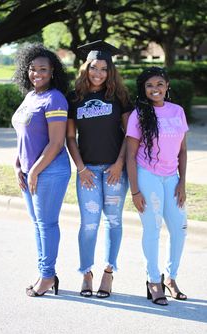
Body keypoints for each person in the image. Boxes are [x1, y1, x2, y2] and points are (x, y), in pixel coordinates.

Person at [67, 40, 133, 298]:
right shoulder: (75, 97)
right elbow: (71, 138)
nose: (98, 73)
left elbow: (131, 135)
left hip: (115, 170)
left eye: (104, 69)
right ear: (87, 67)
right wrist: (81, 168)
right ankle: (86, 272)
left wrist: (119, 164)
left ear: (110, 71)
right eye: (95, 67)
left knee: (114, 220)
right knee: (89, 224)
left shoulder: (118, 97)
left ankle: (108, 273)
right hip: (88, 172)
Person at [12, 43, 71, 297]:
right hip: (30, 170)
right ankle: (44, 272)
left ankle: (47, 276)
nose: (37, 73)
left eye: (43, 69)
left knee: (46, 224)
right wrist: (18, 164)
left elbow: (57, 142)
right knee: (38, 225)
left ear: (53, 71)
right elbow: (25, 136)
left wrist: (34, 171)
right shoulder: (31, 96)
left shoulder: (55, 98)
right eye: (33, 69)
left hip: (49, 171)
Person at [126, 66, 188, 306]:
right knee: (153, 228)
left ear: (167, 86)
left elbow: (182, 151)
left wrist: (182, 182)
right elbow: (131, 155)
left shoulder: (177, 111)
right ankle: (154, 280)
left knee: (180, 228)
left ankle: (171, 278)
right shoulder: (139, 115)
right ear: (144, 88)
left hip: (172, 177)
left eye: (160, 84)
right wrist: (135, 190)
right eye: (150, 85)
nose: (155, 89)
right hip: (147, 176)